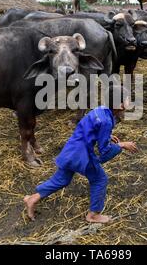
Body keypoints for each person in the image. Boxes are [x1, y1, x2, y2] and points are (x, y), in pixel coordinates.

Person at [23, 85, 138, 223]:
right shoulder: (106, 121)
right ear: (120, 105)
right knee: (100, 179)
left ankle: (32, 198)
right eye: (127, 100)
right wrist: (121, 145)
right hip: (82, 156)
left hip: (71, 149)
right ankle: (94, 215)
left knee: (62, 179)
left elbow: (90, 126)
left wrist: (107, 135)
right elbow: (104, 153)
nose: (128, 102)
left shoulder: (100, 110)